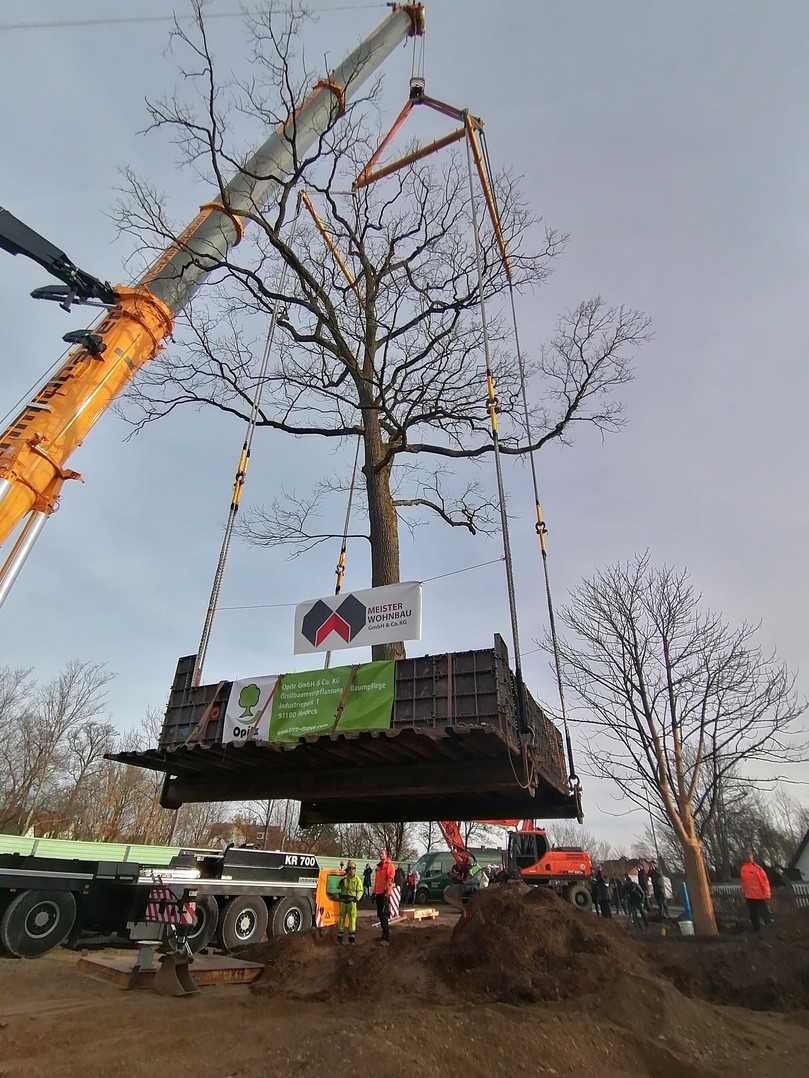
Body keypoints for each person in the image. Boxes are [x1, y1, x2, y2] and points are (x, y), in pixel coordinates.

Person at [740, 852, 772, 931]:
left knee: (764, 913)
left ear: (752, 858)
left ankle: (770, 929)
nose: (748, 858)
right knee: (753, 915)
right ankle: (757, 930)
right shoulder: (743, 869)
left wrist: (767, 893)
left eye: (749, 857)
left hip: (759, 895)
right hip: (749, 896)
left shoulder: (757, 868)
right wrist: (743, 891)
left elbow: (764, 881)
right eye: (746, 857)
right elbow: (743, 882)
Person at [336, 861, 363, 944]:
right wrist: (341, 880)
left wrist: (357, 898)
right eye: (350, 868)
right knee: (341, 919)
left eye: (353, 868)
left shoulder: (357, 879)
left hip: (352, 902)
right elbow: (338, 887)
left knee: (352, 920)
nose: (351, 870)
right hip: (343, 902)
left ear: (355, 869)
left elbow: (360, 890)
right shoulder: (344, 878)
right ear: (348, 869)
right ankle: (339, 939)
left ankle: (351, 940)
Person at [373, 847, 395, 944]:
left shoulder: (389, 865)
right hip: (378, 893)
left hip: (384, 893)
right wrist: (374, 892)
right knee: (380, 915)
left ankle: (386, 937)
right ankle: (383, 934)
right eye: (380, 853)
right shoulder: (378, 866)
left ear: (386, 855)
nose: (381, 854)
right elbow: (377, 881)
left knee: (384, 915)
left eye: (382, 853)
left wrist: (387, 890)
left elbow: (390, 878)